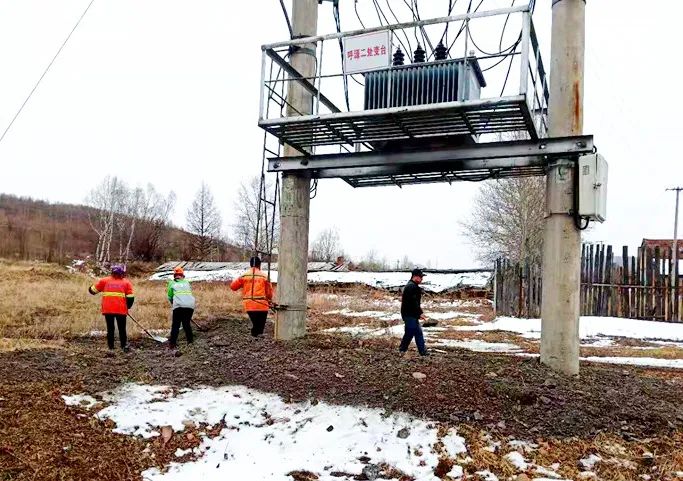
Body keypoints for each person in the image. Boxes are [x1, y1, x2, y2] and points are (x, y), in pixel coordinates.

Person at [88, 264, 134, 353]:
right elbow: (131, 298)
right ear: (121, 273)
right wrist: (127, 307)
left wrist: (90, 287)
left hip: (108, 310)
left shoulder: (104, 281)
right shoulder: (126, 283)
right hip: (121, 310)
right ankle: (124, 346)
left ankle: (111, 347)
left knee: (110, 328)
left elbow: (92, 291)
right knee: (122, 328)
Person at [230, 256, 274, 337]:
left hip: (249, 305)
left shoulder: (244, 276)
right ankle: (258, 342)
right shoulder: (265, 277)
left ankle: (253, 341)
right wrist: (269, 300)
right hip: (262, 306)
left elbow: (233, 287)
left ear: (250, 264)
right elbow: (269, 293)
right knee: (259, 328)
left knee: (255, 326)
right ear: (259, 265)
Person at [399, 268, 429, 356]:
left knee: (418, 333)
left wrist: (418, 313)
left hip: (411, 314)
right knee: (409, 333)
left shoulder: (411, 286)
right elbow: (413, 302)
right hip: (409, 315)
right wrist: (419, 313)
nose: (422, 279)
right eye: (420, 277)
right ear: (415, 277)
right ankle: (402, 350)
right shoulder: (412, 287)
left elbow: (414, 303)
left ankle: (423, 352)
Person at [167, 266, 195, 350]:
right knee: (186, 323)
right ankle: (190, 341)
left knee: (176, 325)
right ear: (182, 275)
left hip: (178, 306)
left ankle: (172, 344)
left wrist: (173, 303)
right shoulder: (187, 283)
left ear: (174, 275)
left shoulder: (172, 283)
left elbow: (170, 296)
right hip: (190, 306)